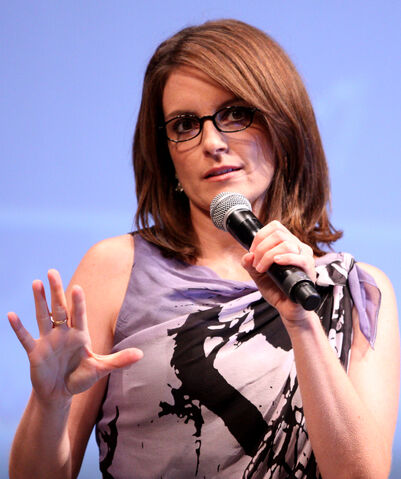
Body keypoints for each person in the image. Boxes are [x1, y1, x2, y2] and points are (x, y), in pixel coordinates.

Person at [7, 19, 400, 479]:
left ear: (283, 127)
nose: (212, 142)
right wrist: (50, 405)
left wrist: (302, 324)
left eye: (235, 114)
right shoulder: (115, 268)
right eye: (185, 124)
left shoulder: (355, 292)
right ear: (166, 154)